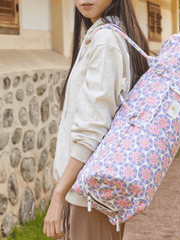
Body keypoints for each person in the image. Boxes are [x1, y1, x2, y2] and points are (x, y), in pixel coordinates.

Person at [43, 0, 149, 239]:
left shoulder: (106, 40)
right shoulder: (107, 33)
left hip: (88, 196)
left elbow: (92, 131)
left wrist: (58, 195)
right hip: (91, 191)